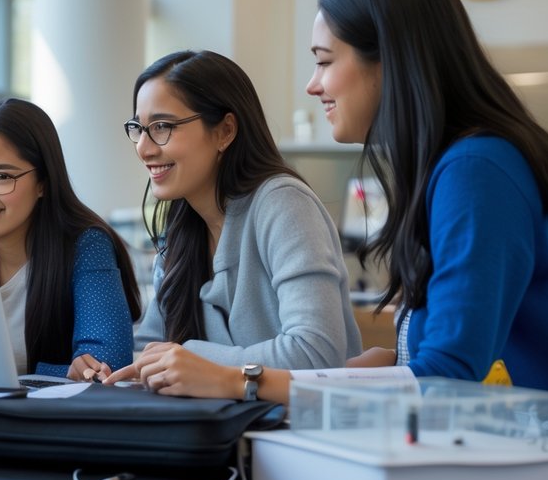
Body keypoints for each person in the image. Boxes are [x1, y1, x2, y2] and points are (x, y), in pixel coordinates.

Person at [114, 0, 548, 400]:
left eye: (324, 62)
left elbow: (446, 376)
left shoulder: (475, 170)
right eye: (140, 128)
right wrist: (376, 367)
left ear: (389, 62)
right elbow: (436, 364)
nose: (312, 85)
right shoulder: (455, 168)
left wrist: (232, 377)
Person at [105, 50, 361, 397]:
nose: (145, 148)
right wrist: (101, 363)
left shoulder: (283, 203)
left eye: (163, 127)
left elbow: (317, 352)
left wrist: (195, 359)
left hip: (300, 437)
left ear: (225, 131)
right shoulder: (183, 227)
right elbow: (151, 350)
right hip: (222, 435)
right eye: (139, 128)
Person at [0, 98, 140, 379]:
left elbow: (108, 364)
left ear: (43, 183)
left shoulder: (85, 245)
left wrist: (35, 372)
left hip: (51, 419)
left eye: (0, 176)